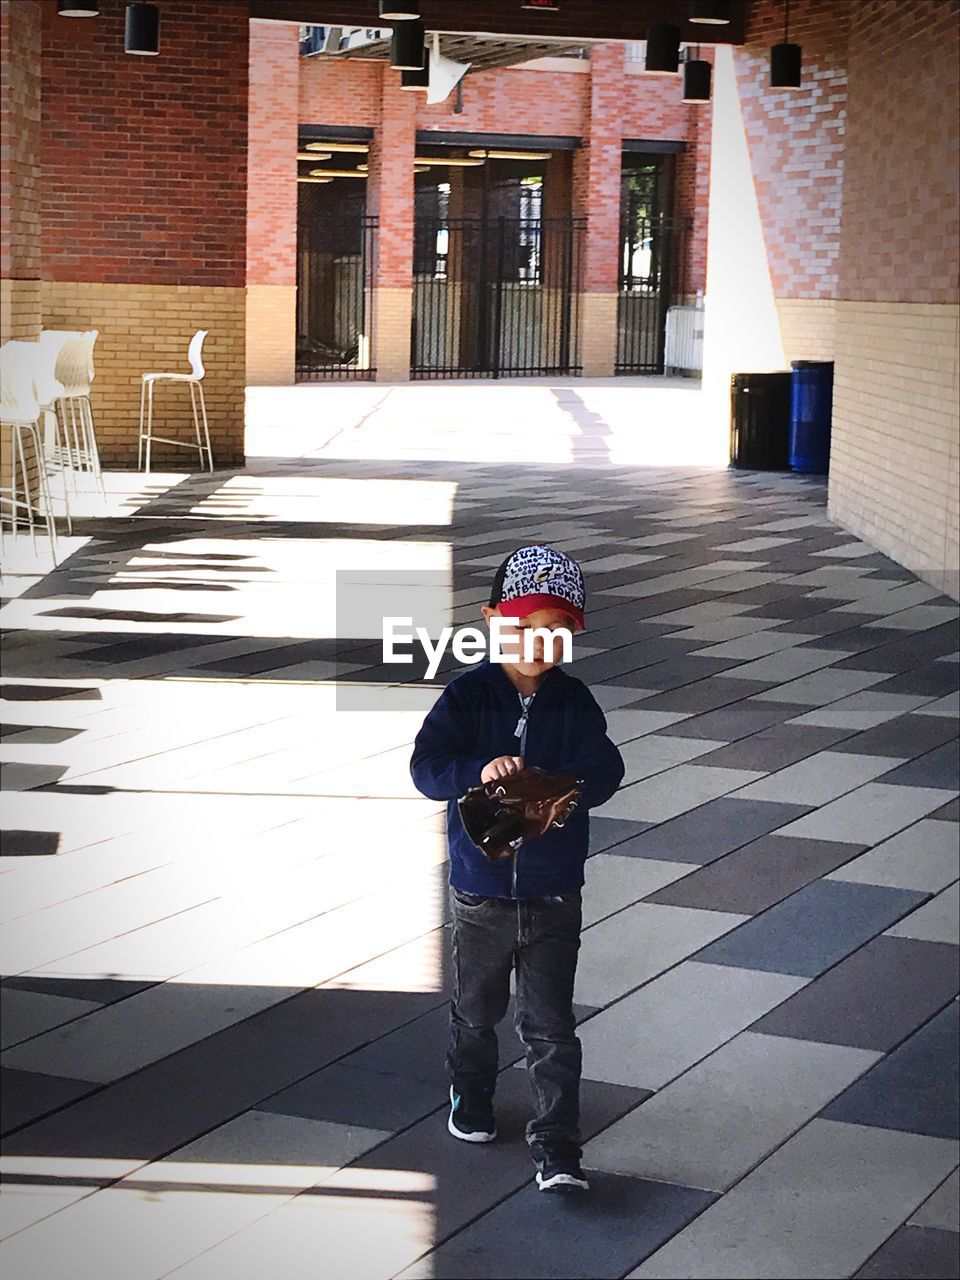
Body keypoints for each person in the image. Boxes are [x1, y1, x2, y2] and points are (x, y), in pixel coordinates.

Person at [409, 545, 625, 1192]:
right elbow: (426, 769)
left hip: (555, 891)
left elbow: (607, 769)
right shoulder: (468, 696)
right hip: (481, 892)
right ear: (491, 619)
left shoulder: (574, 701)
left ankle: (558, 1147)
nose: (540, 642)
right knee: (476, 1009)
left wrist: (564, 783)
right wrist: (478, 771)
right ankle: (469, 1094)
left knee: (551, 1025)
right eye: (525, 626)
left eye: (557, 630)